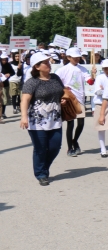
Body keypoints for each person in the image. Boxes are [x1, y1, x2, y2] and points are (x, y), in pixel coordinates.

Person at [19, 52, 68, 186]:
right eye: (45, 63)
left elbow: (61, 93)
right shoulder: (32, 82)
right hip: (37, 122)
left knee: (55, 147)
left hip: (55, 119)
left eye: (48, 62)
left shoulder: (55, 78)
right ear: (37, 67)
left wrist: (62, 99)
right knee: (40, 148)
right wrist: (24, 117)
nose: (49, 64)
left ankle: (43, 166)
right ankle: (41, 173)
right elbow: (25, 101)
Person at [57, 47, 95, 157]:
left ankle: (75, 140)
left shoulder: (82, 69)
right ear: (68, 57)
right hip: (69, 100)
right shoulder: (62, 70)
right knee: (70, 124)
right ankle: (70, 148)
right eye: (74, 57)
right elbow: (56, 82)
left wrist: (93, 75)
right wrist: (63, 90)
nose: (77, 59)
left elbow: (90, 82)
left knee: (81, 123)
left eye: (78, 57)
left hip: (80, 99)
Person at [93, 59, 108, 157]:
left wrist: (104, 90)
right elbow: (97, 91)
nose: (107, 70)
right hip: (100, 104)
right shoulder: (100, 77)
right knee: (101, 127)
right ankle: (103, 149)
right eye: (106, 69)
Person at [9, 50, 23, 114]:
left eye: (18, 56)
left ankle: (19, 106)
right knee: (14, 95)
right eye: (16, 56)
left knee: (19, 95)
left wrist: (19, 68)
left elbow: (20, 74)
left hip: (20, 80)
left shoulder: (22, 63)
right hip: (12, 80)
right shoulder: (10, 64)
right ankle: (14, 108)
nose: (17, 57)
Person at [1, 53, 13, 119]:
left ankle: (3, 113)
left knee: (5, 100)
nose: (4, 61)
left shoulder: (8, 65)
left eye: (5, 60)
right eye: (3, 60)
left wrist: (9, 74)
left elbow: (13, 72)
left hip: (5, 84)